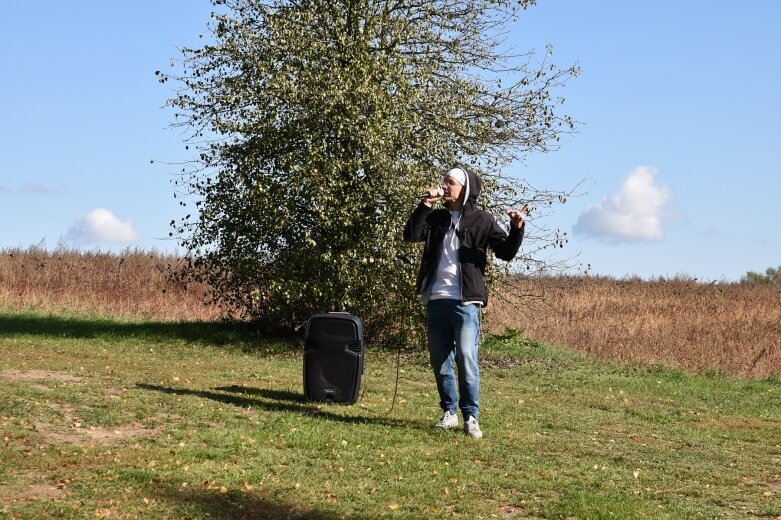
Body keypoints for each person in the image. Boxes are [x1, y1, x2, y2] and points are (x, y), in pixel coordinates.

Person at [404, 166, 527, 439]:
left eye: (450, 183)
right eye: (444, 182)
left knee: (467, 358)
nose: (444, 186)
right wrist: (425, 204)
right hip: (436, 298)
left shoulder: (482, 220)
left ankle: (471, 416)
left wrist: (516, 228)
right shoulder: (436, 218)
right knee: (439, 360)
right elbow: (411, 234)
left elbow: (506, 252)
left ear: (464, 189)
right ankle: (449, 412)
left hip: (466, 302)